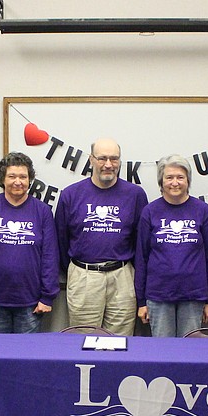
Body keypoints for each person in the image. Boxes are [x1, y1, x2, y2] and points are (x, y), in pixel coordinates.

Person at [54, 138, 148, 335]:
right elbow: (61, 240)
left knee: (120, 341)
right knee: (83, 339)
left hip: (122, 276)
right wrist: (76, 269)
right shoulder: (71, 195)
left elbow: (141, 242)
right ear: (91, 160)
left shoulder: (135, 195)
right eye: (102, 158)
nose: (108, 165)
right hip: (84, 276)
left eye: (114, 159)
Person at [0, 152, 59, 334]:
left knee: (26, 358)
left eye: (23, 177)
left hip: (31, 303)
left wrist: (47, 297)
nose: (18, 181)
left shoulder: (42, 212)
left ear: (30, 179)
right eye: (12, 176)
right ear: (2, 178)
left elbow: (50, 256)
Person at [135, 155, 208, 337]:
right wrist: (141, 301)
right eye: (169, 177)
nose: (175, 182)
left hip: (193, 295)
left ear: (188, 180)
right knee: (162, 352)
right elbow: (141, 258)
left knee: (188, 353)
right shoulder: (150, 211)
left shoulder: (202, 210)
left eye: (180, 177)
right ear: (161, 181)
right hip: (158, 296)